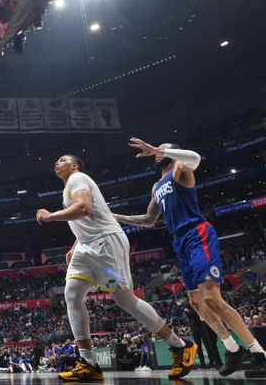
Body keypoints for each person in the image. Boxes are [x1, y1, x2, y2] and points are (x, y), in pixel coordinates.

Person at [114, 139, 266, 377]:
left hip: (198, 234)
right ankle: (232, 348)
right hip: (180, 242)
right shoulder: (156, 186)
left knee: (211, 297)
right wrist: (117, 217)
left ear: (173, 152)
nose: (157, 153)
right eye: (157, 150)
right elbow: (148, 219)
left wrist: (160, 150)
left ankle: (258, 352)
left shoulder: (180, 169)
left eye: (164, 148)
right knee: (197, 304)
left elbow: (195, 157)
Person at [36, 154, 197, 381]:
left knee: (124, 300)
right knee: (71, 294)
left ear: (74, 166)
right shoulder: (70, 186)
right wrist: (75, 245)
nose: (56, 162)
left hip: (106, 248)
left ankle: (180, 345)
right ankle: (89, 362)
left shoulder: (77, 177)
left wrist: (51, 216)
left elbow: (83, 208)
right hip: (86, 248)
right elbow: (88, 218)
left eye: (62, 159)